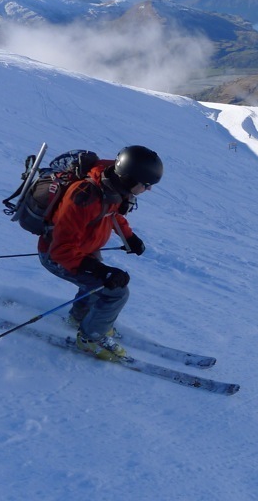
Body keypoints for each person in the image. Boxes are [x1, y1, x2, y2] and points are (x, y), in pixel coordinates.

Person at [37, 145, 163, 361]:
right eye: (146, 185)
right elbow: (61, 250)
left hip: (84, 251)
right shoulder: (83, 198)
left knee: (97, 284)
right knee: (116, 292)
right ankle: (91, 338)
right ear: (130, 179)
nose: (148, 190)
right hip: (58, 255)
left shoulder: (111, 185)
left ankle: (82, 318)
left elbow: (112, 214)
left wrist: (129, 237)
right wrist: (100, 270)